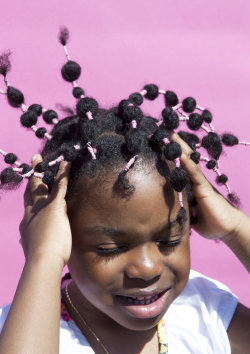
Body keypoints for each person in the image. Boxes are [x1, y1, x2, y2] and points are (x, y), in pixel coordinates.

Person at [0, 28, 250, 353]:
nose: (147, 268)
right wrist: (43, 258)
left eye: (170, 241)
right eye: (109, 248)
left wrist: (235, 228)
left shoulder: (203, 312)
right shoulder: (24, 328)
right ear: (61, 235)